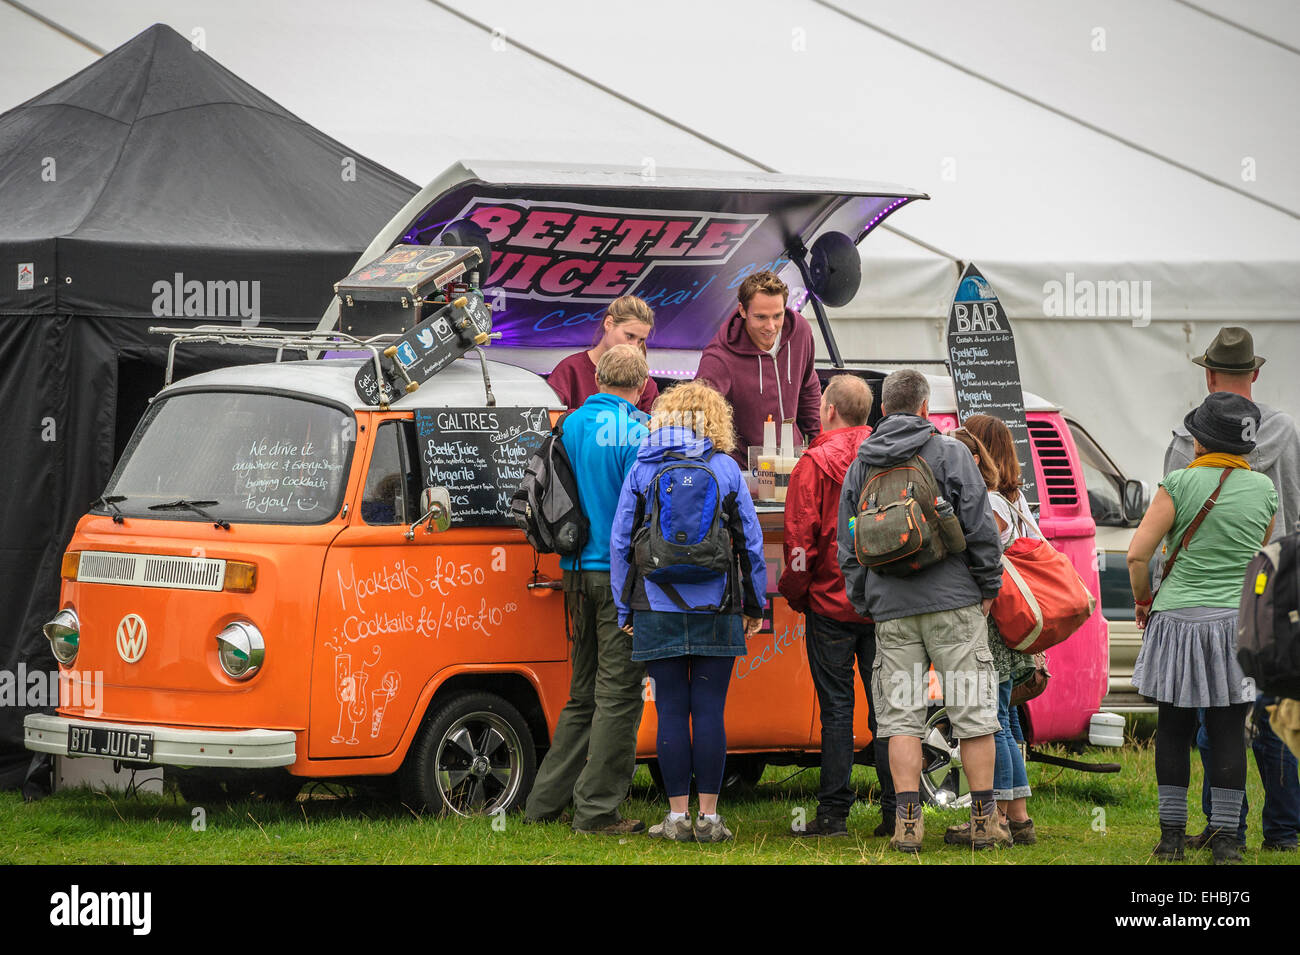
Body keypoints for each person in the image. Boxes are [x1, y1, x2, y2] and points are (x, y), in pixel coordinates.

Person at [838, 369, 1005, 852]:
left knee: (900, 720)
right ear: (927, 408)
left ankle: (907, 825)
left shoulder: (861, 463)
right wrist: (987, 586)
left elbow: (847, 544)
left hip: (891, 611)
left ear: (883, 410)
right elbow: (980, 528)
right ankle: (982, 822)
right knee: (974, 714)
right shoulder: (951, 452)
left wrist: (865, 598)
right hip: (955, 605)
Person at [610, 380, 767, 842]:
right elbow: (751, 544)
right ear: (716, 420)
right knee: (710, 710)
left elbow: (621, 543)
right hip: (717, 605)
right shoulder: (726, 469)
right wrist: (754, 604)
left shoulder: (643, 469)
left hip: (655, 607)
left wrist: (625, 608)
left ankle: (677, 819)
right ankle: (710, 818)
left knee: (672, 712)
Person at [1163, 326, 1300, 853]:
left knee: (1215, 719)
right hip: (1275, 590)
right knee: (1275, 714)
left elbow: (1171, 526)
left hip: (1209, 596)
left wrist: (1158, 593)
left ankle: (1227, 828)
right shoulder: (1284, 431)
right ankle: (1284, 832)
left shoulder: (1185, 437)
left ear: (1207, 373)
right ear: (1256, 373)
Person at [1129, 392, 1278, 864]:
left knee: (1173, 728)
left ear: (1199, 441)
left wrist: (1142, 600)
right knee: (1229, 729)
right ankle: (1228, 843)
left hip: (1177, 619)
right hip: (1238, 623)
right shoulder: (1264, 491)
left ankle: (1171, 839)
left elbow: (1137, 554)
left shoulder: (1178, 483)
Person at [524, 345, 652, 834]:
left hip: (574, 570)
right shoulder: (641, 431)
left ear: (597, 378)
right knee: (619, 695)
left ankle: (543, 803)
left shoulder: (570, 425)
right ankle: (597, 810)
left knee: (582, 695)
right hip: (620, 577)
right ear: (641, 387)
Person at [778, 374, 896, 837]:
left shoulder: (814, 462)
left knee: (837, 713)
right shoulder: (887, 454)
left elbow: (799, 543)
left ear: (828, 410)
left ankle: (832, 817)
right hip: (884, 602)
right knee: (890, 711)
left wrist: (795, 592)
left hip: (829, 603)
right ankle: (896, 812)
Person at [946, 416, 1039, 846]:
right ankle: (1017, 817)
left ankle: (999, 817)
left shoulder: (991, 505)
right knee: (1004, 720)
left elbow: (982, 560)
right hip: (1008, 624)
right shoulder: (1012, 500)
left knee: (993, 721)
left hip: (994, 625)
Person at [695, 270, 821, 464]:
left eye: (777, 315)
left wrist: (817, 447)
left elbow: (808, 389)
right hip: (745, 471)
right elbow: (699, 414)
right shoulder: (719, 357)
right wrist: (723, 466)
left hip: (794, 464)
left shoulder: (801, 332)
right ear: (742, 310)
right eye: (761, 317)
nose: (770, 326)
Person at [548, 295, 659, 414]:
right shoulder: (570, 369)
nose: (634, 345)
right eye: (629, 336)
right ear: (608, 323)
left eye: (641, 340)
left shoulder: (643, 381)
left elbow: (655, 429)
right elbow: (548, 420)